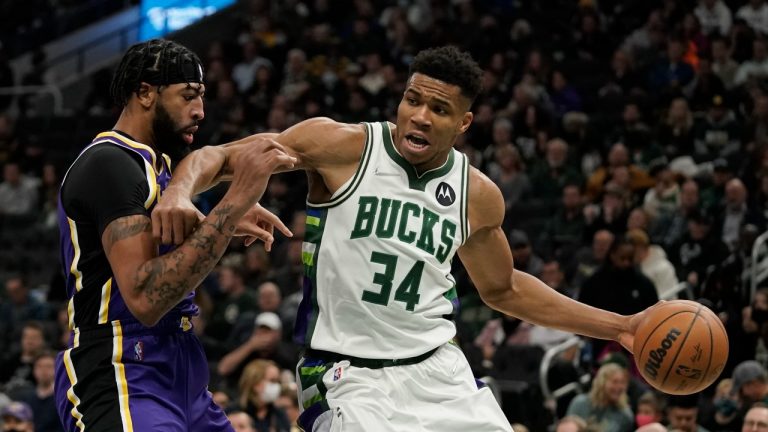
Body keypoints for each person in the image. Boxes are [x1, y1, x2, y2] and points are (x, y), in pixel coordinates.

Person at [155, 46, 654, 432]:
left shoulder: (477, 194)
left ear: (464, 123)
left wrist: (621, 327)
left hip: (439, 371)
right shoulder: (343, 146)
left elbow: (504, 290)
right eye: (412, 99)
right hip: (347, 374)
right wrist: (178, 192)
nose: (418, 115)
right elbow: (219, 156)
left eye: (438, 109)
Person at [53, 39, 295, 431]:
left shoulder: (160, 163)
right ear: (145, 93)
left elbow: (237, 152)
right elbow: (146, 299)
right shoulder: (110, 165)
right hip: (121, 366)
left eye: (201, 96)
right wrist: (231, 207)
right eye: (188, 96)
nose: (199, 110)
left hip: (182, 366)